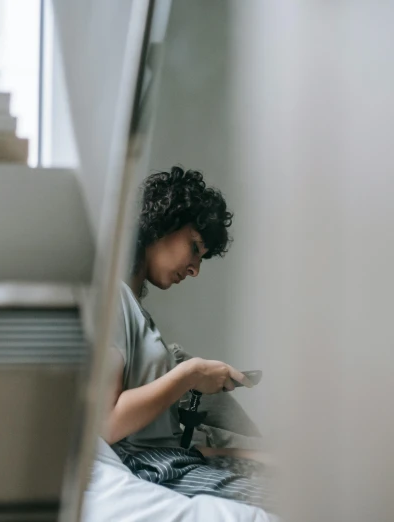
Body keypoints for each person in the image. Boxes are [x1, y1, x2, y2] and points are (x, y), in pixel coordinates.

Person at [103, 166, 268, 507]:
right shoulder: (113, 298)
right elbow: (108, 424)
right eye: (194, 247)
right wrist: (191, 373)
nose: (195, 269)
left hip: (174, 458)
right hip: (153, 467)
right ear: (163, 222)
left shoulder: (135, 308)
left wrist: (244, 454)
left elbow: (164, 435)